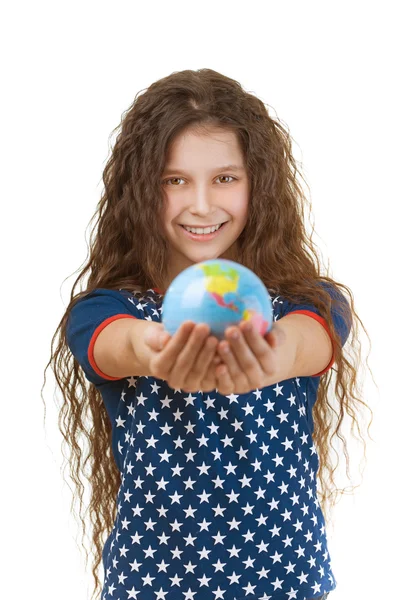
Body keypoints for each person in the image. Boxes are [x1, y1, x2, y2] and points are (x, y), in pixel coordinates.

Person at [45, 69, 374, 600]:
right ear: (140, 189)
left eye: (225, 178)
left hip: (287, 586)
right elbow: (119, 341)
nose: (201, 204)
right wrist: (160, 353)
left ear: (258, 185)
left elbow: (304, 341)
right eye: (174, 180)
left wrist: (269, 357)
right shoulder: (104, 309)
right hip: (152, 588)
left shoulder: (311, 302)